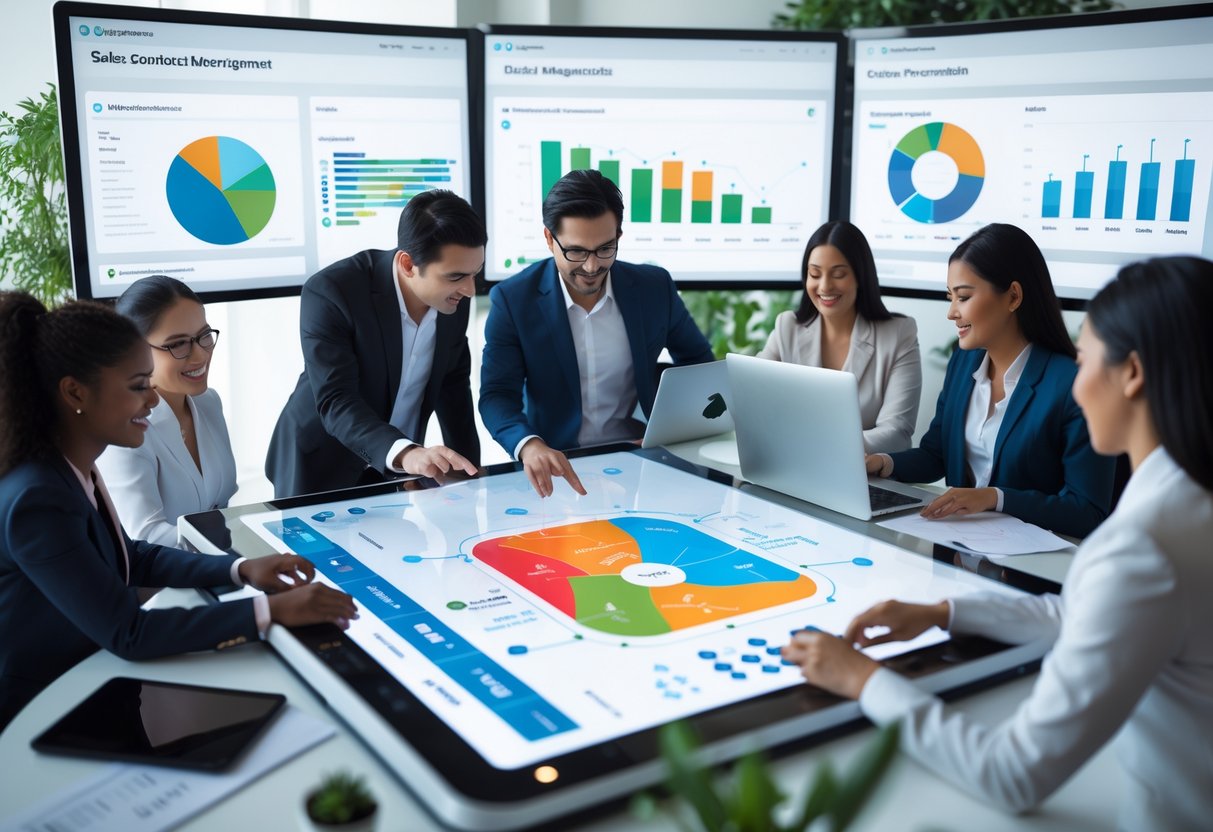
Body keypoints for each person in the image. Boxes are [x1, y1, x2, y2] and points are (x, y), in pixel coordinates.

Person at [782, 256, 1213, 830]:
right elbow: (1090, 615)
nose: (1078, 383)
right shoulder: (1186, 501)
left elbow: (1010, 773)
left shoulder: (1142, 549)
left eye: (1086, 360)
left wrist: (861, 678)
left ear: (1131, 373)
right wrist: (946, 611)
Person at [0, 292, 357, 730]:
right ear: (75, 392)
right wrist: (272, 612)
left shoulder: (73, 469)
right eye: (137, 387)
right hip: (41, 713)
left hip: (95, 685)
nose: (152, 401)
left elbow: (133, 556)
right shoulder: (37, 498)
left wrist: (241, 570)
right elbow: (129, 632)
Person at [865, 223, 1113, 538]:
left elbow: (1087, 510)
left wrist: (995, 498)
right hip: (956, 549)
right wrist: (883, 463)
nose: (952, 313)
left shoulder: (1071, 385)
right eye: (950, 298)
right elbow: (936, 454)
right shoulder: (963, 362)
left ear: (1013, 296)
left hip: (1029, 565)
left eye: (963, 297)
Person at [480, 169, 714, 497]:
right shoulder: (513, 300)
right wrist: (529, 445)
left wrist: (669, 429)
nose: (592, 267)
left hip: (641, 460)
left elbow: (699, 364)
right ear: (549, 239)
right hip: (558, 467)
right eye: (576, 251)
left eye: (606, 249)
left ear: (619, 234)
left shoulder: (653, 287)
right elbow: (496, 395)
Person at [266, 189, 485, 498]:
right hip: (322, 463)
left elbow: (453, 385)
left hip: (393, 472)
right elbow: (337, 400)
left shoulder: (453, 298)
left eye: (475, 273)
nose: (470, 290)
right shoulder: (332, 291)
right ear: (408, 265)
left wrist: (471, 474)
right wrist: (407, 453)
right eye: (456, 276)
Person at [758, 221, 921, 453]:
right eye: (814, 274)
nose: (824, 286)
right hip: (792, 466)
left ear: (859, 277)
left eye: (838, 274)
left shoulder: (898, 334)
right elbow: (752, 396)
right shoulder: (788, 327)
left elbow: (897, 432)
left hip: (864, 475)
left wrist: (822, 447)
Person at [96, 276, 235, 545]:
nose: (200, 355)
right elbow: (146, 537)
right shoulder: (123, 429)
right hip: (161, 583)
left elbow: (223, 506)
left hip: (218, 571)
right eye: (178, 344)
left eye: (204, 336)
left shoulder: (208, 402)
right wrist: (237, 560)